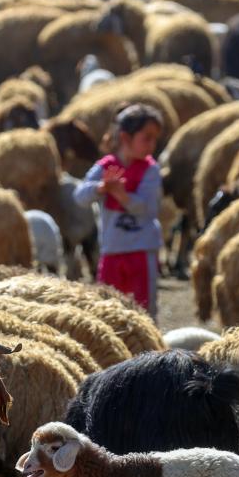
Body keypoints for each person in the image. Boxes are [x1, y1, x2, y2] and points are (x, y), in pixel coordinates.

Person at [73, 104, 164, 319]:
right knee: (107, 309)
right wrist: (101, 188)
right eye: (146, 138)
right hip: (112, 249)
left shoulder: (150, 169)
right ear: (125, 138)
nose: (152, 145)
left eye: (155, 139)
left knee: (144, 310)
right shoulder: (106, 166)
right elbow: (80, 196)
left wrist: (122, 196)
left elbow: (149, 209)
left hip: (142, 249)